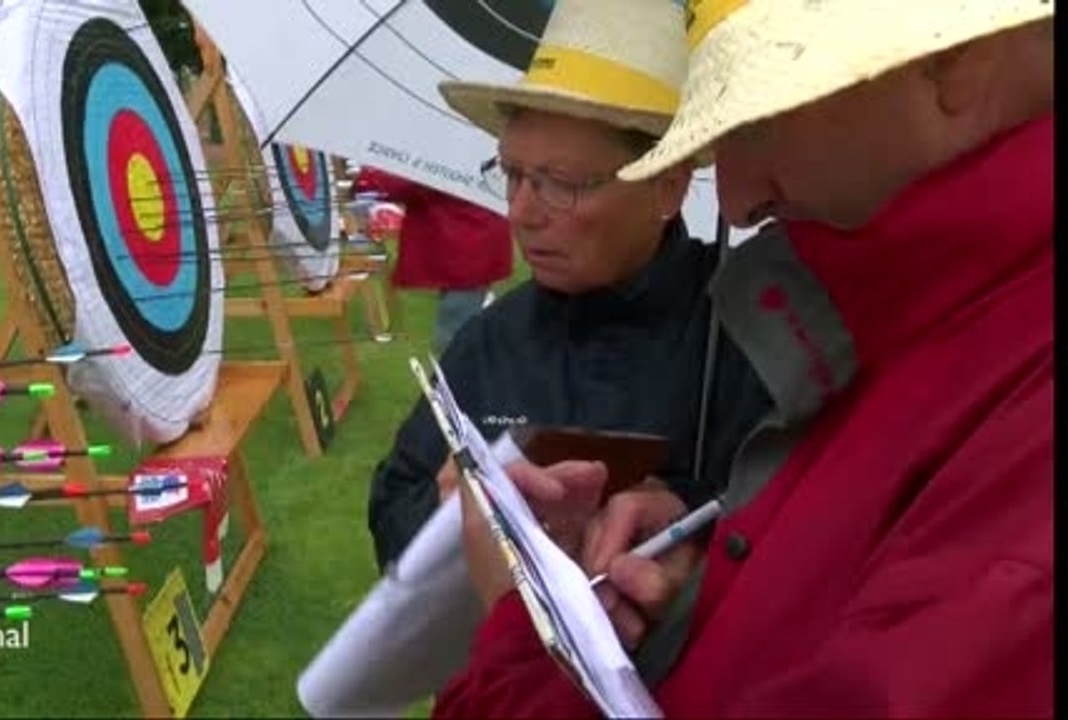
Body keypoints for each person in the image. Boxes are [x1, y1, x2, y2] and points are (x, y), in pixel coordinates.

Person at [435, 0, 1054, 716]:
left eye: (758, 117)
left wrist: (522, 625)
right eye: (512, 174)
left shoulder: (1001, 391)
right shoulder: (920, 329)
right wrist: (704, 581)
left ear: (951, 62)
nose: (733, 198)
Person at [367, 0, 771, 574]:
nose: (522, 212)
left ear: (666, 188)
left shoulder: (754, 334)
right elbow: (392, 508)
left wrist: (689, 526)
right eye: (512, 175)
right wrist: (443, 510)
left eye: (560, 184)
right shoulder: (489, 343)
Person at [351, 166, 512, 353]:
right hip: (470, 245)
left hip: (469, 247)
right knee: (460, 321)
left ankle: (453, 378)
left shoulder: (450, 155)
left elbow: (407, 184)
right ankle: (462, 373)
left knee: (454, 329)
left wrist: (366, 178)